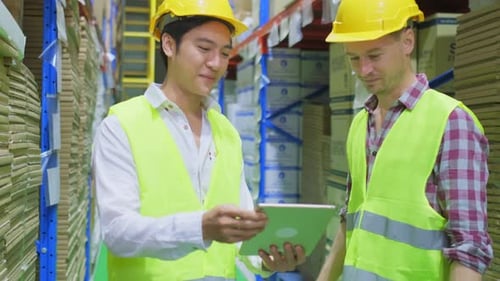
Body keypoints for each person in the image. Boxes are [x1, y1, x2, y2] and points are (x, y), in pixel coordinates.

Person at [92, 0, 305, 280]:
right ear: (169, 45)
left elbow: (240, 239)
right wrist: (200, 228)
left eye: (225, 53)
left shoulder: (226, 132)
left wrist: (267, 260)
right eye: (204, 49)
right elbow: (118, 232)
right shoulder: (121, 126)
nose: (216, 63)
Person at [317, 0, 493, 280]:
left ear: (408, 41)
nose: (364, 70)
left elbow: (469, 250)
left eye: (374, 56)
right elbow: (349, 221)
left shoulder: (451, 123)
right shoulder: (360, 124)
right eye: (354, 58)